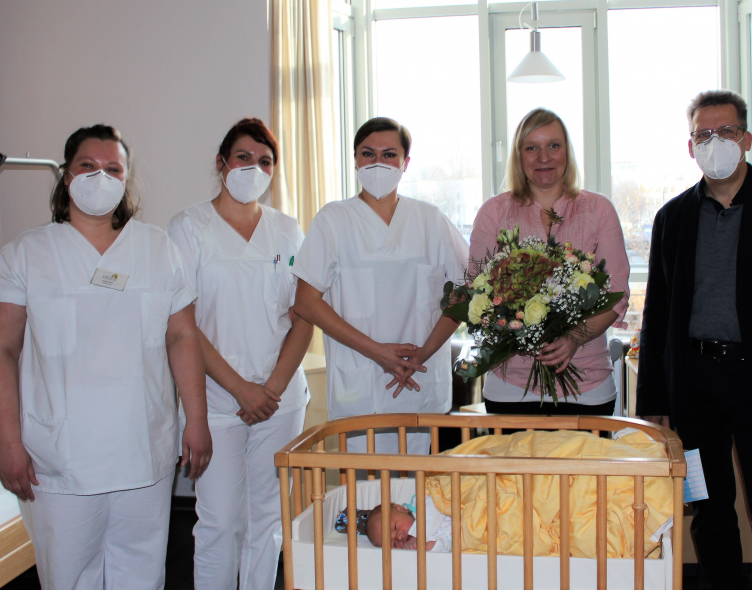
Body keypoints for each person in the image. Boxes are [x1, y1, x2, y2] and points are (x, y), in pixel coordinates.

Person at [0, 124, 211, 590]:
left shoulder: (158, 248)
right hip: (61, 458)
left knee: (141, 574)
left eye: (113, 169)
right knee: (68, 577)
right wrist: (8, 441)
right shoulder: (26, 254)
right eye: (88, 166)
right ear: (65, 175)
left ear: (126, 178)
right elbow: (5, 349)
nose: (101, 177)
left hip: (143, 450)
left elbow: (182, 337)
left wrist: (196, 419)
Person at [636, 89, 752, 590]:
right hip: (694, 388)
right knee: (708, 510)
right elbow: (658, 316)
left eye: (725, 131)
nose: (714, 142)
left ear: (745, 138)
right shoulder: (673, 218)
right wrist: (654, 402)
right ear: (690, 146)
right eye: (703, 134)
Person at [167, 117, 312, 590]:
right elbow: (183, 325)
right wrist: (242, 390)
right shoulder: (189, 228)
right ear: (221, 163)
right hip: (215, 400)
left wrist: (270, 389)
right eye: (243, 158)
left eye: (265, 161)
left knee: (268, 519)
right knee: (220, 522)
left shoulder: (287, 230)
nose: (254, 168)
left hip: (279, 400)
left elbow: (304, 315)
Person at [292, 117, 469, 455]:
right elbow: (306, 301)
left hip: (420, 380)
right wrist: (378, 352)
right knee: (363, 485)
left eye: (389, 155)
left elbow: (466, 293)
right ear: (355, 160)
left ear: (405, 162)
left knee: (421, 482)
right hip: (361, 384)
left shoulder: (431, 219)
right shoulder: (334, 220)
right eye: (368, 153)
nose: (377, 163)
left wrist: (422, 354)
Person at [469, 108, 630, 415]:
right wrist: (516, 326)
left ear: (567, 151)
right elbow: (477, 289)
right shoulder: (494, 212)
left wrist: (574, 338)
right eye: (531, 148)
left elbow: (617, 292)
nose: (543, 157)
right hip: (510, 386)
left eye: (553, 145)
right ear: (518, 156)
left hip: (587, 384)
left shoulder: (599, 210)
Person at [365, 499, 452, 552]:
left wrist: (417, 534)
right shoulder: (414, 549)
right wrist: (425, 547)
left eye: (395, 527)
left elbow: (437, 506)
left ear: (401, 509)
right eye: (394, 543)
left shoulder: (419, 505)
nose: (399, 537)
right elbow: (445, 549)